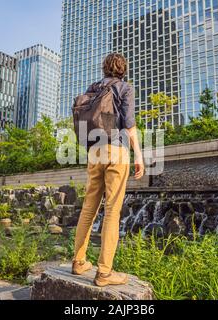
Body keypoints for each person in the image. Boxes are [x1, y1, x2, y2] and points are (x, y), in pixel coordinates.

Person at [72, 53, 145, 287]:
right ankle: (104, 272)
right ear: (123, 69)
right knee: (112, 209)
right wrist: (139, 156)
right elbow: (129, 123)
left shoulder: (93, 88)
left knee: (89, 207)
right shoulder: (125, 88)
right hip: (116, 150)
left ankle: (79, 261)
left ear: (104, 69)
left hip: (94, 152)